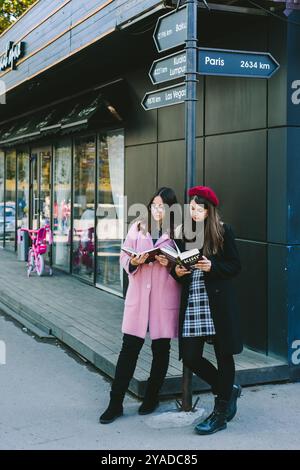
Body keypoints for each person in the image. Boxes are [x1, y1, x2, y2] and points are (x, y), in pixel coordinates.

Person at [99, 187, 181, 424]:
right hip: (139, 298)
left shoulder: (178, 232)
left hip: (163, 299)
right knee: (129, 350)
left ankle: (151, 397)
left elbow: (183, 266)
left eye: (162, 205)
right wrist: (134, 261)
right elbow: (124, 257)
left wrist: (169, 263)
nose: (157, 209)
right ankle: (115, 403)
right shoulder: (138, 226)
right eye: (154, 204)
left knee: (161, 349)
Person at [171, 185, 243, 435]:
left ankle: (220, 413)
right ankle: (228, 389)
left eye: (199, 208)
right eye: (191, 208)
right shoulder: (184, 233)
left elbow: (235, 266)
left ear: (209, 210)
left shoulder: (224, 232)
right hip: (194, 302)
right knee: (190, 356)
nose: (194, 212)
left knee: (224, 356)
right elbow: (178, 268)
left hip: (218, 304)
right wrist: (177, 271)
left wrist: (213, 266)